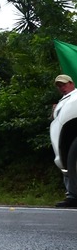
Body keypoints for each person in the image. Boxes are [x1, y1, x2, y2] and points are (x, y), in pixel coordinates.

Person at [53, 74, 77, 208]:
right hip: (65, 137)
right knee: (66, 159)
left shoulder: (74, 97)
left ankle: (72, 195)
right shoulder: (65, 100)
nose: (62, 88)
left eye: (64, 84)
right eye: (59, 86)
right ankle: (72, 195)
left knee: (69, 158)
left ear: (71, 83)